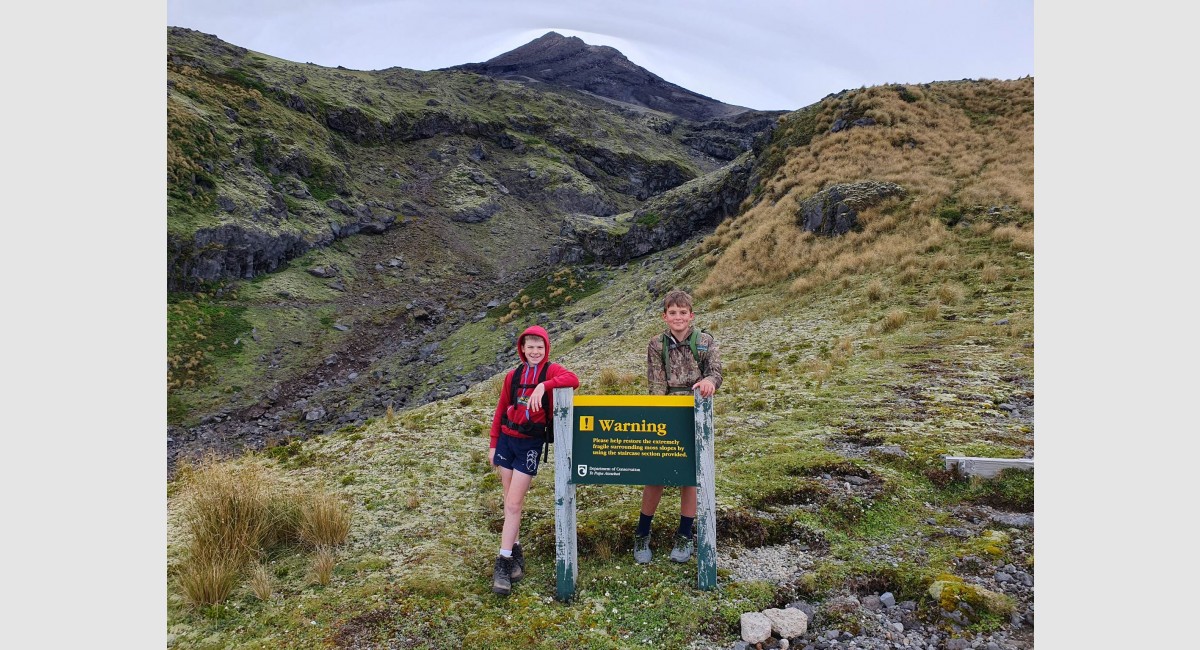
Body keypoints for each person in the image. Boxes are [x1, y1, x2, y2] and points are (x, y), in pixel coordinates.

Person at [488, 324, 579, 596]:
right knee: (509, 503)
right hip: (507, 441)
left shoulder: (550, 370)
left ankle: (502, 562)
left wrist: (544, 385)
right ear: (522, 349)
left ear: (546, 348)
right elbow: (501, 409)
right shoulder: (512, 376)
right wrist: (493, 444)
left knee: (514, 503)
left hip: (530, 444)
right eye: (530, 347)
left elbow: (573, 379)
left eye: (540, 347)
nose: (535, 351)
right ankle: (515, 553)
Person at [634, 289, 722, 564]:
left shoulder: (706, 341)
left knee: (689, 476)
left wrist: (709, 382)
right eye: (673, 313)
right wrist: (660, 419)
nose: (678, 317)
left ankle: (685, 535)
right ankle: (642, 533)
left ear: (691, 315)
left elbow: (715, 371)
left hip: (697, 412)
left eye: (683, 312)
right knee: (655, 474)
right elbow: (656, 383)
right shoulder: (656, 344)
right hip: (667, 414)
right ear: (665, 316)